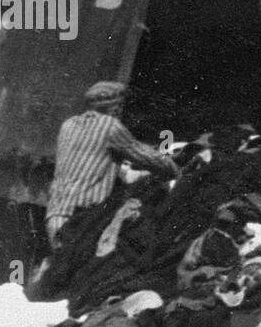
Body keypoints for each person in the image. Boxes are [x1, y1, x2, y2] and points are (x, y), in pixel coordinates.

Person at [45, 81, 180, 246]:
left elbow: (93, 159)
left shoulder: (68, 125)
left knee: (59, 266)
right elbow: (144, 156)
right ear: (114, 106)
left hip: (55, 213)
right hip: (81, 216)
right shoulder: (110, 126)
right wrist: (174, 167)